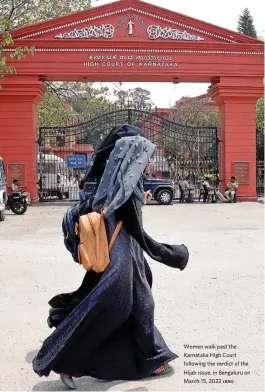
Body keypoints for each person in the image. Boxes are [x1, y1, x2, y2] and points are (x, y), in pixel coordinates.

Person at [32, 124, 189, 389]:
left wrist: (141, 198)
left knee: (141, 306)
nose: (145, 161)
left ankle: (150, 357)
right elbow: (130, 222)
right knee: (108, 308)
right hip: (120, 256)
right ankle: (64, 361)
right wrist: (168, 253)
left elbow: (122, 205)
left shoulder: (116, 178)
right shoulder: (120, 181)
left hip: (128, 254)